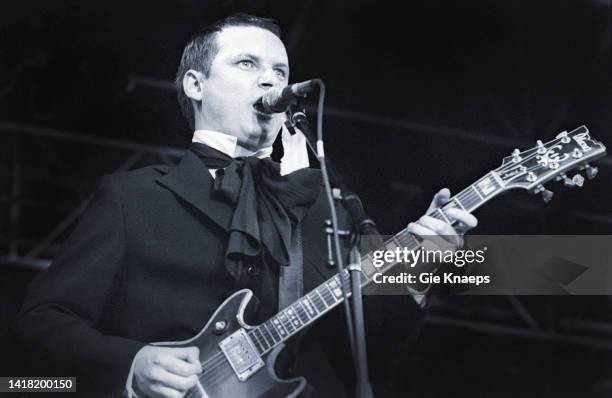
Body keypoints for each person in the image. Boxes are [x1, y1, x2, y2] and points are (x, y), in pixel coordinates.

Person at [14, 13, 477, 398]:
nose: (271, 79)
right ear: (196, 84)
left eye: (280, 71)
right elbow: (39, 326)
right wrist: (130, 364)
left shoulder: (325, 209)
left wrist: (420, 275)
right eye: (247, 63)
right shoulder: (132, 197)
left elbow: (370, 358)